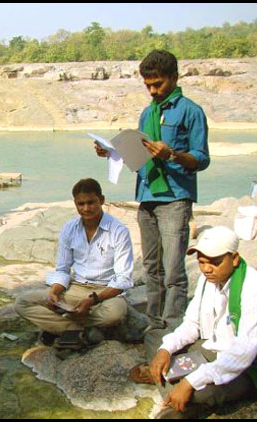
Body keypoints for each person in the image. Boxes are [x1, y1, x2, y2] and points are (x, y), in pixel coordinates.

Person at [95, 49, 210, 331]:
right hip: (146, 196)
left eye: (157, 84)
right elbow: (139, 153)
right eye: (147, 85)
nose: (152, 90)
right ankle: (153, 320)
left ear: (174, 77)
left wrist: (171, 155)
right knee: (152, 268)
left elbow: (202, 159)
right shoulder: (147, 113)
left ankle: (172, 327)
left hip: (174, 197)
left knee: (173, 270)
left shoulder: (191, 112)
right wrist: (111, 152)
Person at [130, 226, 257, 418]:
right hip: (213, 347)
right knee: (155, 338)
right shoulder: (207, 280)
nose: (207, 269)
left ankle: (175, 392)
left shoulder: (256, 288)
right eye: (201, 262)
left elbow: (243, 352)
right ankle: (173, 389)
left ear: (234, 259)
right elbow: (192, 324)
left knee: (201, 392)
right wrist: (165, 350)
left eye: (215, 262)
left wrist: (190, 382)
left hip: (250, 366)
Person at [14, 178, 134, 348]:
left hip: (106, 292)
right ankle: (79, 330)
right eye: (81, 204)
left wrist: (92, 300)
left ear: (101, 200)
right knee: (22, 303)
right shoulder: (69, 229)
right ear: (75, 204)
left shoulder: (118, 231)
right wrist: (55, 292)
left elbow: (123, 280)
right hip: (76, 287)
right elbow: (62, 269)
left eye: (91, 202)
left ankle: (60, 326)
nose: (86, 208)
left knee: (115, 314)